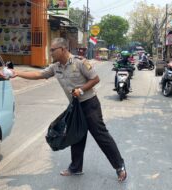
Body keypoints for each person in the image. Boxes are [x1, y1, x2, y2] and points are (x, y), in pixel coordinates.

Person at [14, 38, 127, 182]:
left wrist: (81, 89)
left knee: (101, 135)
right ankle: (76, 167)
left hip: (89, 104)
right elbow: (38, 75)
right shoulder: (56, 67)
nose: (51, 52)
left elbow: (95, 79)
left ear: (63, 49)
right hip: (75, 107)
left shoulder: (79, 62)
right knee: (76, 136)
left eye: (53, 50)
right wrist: (17, 73)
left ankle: (119, 166)